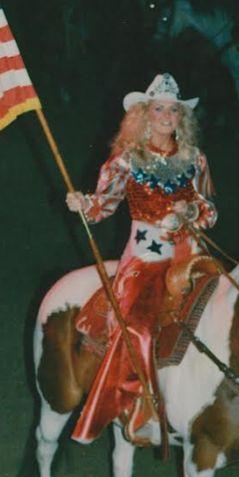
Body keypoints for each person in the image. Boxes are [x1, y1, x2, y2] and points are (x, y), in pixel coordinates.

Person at [66, 73, 217, 444]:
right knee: (140, 329)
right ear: (144, 115)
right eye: (159, 109)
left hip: (189, 256)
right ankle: (139, 408)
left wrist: (191, 212)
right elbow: (103, 206)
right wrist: (84, 204)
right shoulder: (126, 161)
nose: (167, 115)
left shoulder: (195, 159)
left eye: (174, 110)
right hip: (144, 261)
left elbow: (211, 212)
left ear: (182, 117)